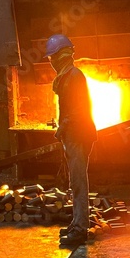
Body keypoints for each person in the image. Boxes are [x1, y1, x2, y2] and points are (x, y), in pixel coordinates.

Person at [44, 34, 97, 246]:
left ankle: (80, 230)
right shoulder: (66, 77)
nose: (50, 62)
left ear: (62, 55)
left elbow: (78, 110)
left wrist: (62, 127)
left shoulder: (75, 76)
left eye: (52, 57)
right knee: (74, 182)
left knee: (78, 183)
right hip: (72, 134)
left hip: (78, 134)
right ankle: (77, 222)